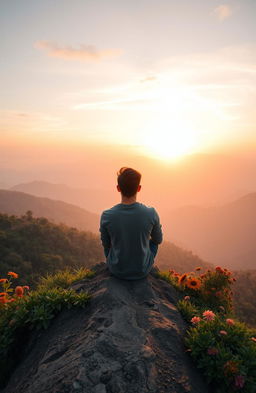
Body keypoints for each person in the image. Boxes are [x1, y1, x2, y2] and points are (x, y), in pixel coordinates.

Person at [99, 167, 163, 280]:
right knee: (152, 243)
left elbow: (106, 245)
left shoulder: (107, 215)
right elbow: (158, 240)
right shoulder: (151, 213)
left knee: (109, 244)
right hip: (142, 271)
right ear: (139, 188)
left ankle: (118, 263)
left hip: (116, 270)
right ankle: (141, 261)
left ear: (118, 188)